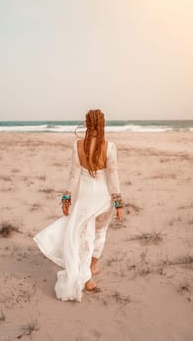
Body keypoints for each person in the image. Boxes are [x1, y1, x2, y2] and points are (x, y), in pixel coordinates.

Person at [33, 109, 123, 302]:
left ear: (86, 124)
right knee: (99, 233)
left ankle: (87, 271)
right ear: (102, 124)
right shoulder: (110, 147)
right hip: (103, 198)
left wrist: (66, 199)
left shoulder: (77, 145)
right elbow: (113, 176)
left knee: (83, 234)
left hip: (84, 198)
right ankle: (89, 271)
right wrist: (118, 203)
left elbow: (73, 176)